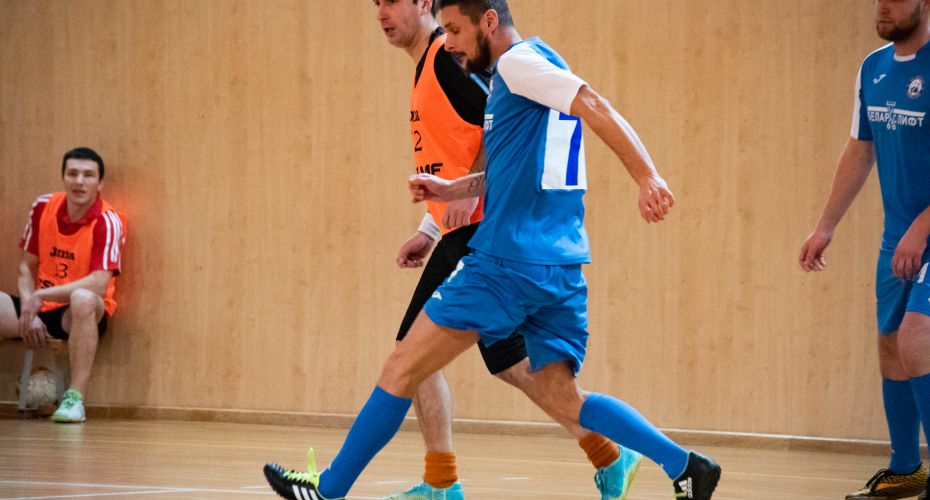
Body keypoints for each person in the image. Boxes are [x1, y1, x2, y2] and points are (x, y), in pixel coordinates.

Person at [263, 1, 721, 498]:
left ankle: (330, 489)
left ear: (488, 22)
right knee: (563, 395)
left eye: (456, 30)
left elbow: (594, 104)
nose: (450, 44)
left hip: (506, 264)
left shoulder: (516, 64)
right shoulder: (540, 65)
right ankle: (685, 465)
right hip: (560, 267)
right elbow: (514, 168)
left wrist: (647, 176)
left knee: (403, 366)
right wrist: (451, 191)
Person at [373, 0, 640, 498]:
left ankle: (441, 484)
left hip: (487, 234)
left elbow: (498, 123)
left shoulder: (447, 60)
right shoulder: (431, 66)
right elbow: (456, 152)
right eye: (376, 4)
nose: (382, 12)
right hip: (474, 229)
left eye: (392, 0)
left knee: (411, 354)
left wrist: (467, 196)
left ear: (425, 3)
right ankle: (609, 453)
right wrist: (429, 229)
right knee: (511, 364)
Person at [799, 1, 930, 498]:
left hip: (924, 232)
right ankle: (906, 468)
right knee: (891, 344)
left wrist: (921, 228)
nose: (883, 6)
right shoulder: (873, 69)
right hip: (898, 238)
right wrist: (825, 226)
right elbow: (860, 148)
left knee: (917, 338)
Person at [0, 147, 126, 423]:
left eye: (88, 175)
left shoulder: (108, 221)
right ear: (63, 178)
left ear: (99, 184)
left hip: (80, 312)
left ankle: (74, 400)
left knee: (82, 297)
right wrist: (29, 307)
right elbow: (26, 266)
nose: (79, 181)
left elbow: (98, 283)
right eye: (73, 173)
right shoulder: (43, 206)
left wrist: (41, 295)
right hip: (39, 306)